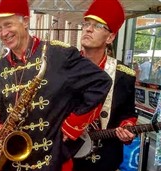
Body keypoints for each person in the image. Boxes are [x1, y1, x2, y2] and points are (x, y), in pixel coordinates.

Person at [0, 0, 112, 170]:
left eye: (8, 24)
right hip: (14, 162)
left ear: (26, 21)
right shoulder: (0, 66)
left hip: (52, 160)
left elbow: (101, 82)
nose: (4, 33)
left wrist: (73, 124)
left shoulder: (60, 54)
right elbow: (1, 107)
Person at [72, 0, 138, 171]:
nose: (88, 29)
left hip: (105, 161)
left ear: (110, 37)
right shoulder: (65, 67)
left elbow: (128, 114)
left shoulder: (124, 75)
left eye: (97, 25)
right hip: (66, 157)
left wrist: (127, 128)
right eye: (87, 23)